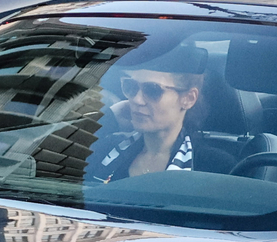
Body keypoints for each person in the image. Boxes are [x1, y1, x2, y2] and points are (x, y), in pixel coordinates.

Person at [83, 43, 251, 181]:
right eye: (130, 86)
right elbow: (60, 153)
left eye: (153, 90)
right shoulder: (107, 146)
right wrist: (109, 118)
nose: (137, 99)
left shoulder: (214, 168)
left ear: (188, 98)